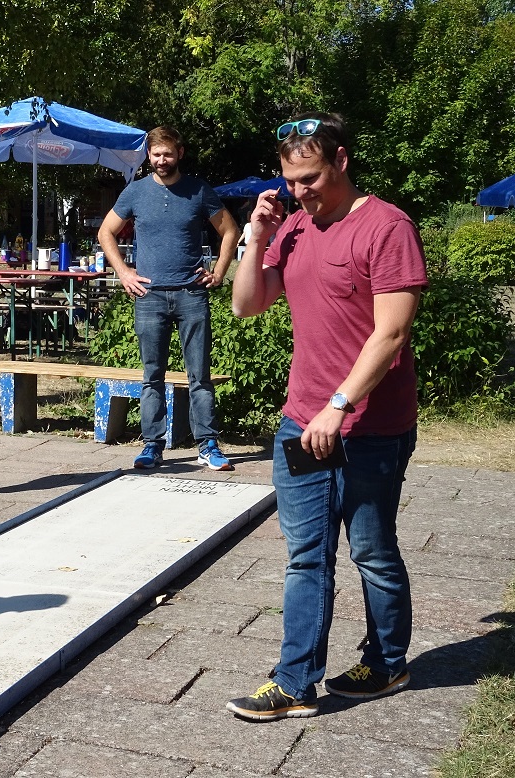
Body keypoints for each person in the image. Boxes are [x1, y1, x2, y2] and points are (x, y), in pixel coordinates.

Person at [227, 112, 427, 721]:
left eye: (310, 178)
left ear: (341, 160)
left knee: (371, 549)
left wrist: (339, 406)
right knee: (306, 555)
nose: (299, 191)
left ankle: (385, 662)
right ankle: (295, 682)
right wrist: (256, 236)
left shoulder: (387, 227)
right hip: (301, 420)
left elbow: (391, 334)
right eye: (290, 181)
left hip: (371, 425)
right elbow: (246, 306)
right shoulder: (292, 226)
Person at [97, 126, 240, 470]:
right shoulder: (135, 191)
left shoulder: (198, 190)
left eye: (168, 154)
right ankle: (152, 446)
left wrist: (219, 272)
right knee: (152, 375)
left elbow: (230, 230)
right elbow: (105, 232)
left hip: (192, 294)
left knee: (200, 376)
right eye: (156, 154)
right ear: (149, 155)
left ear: (180, 153)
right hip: (150, 296)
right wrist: (124, 272)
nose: (162, 160)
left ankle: (207, 445)